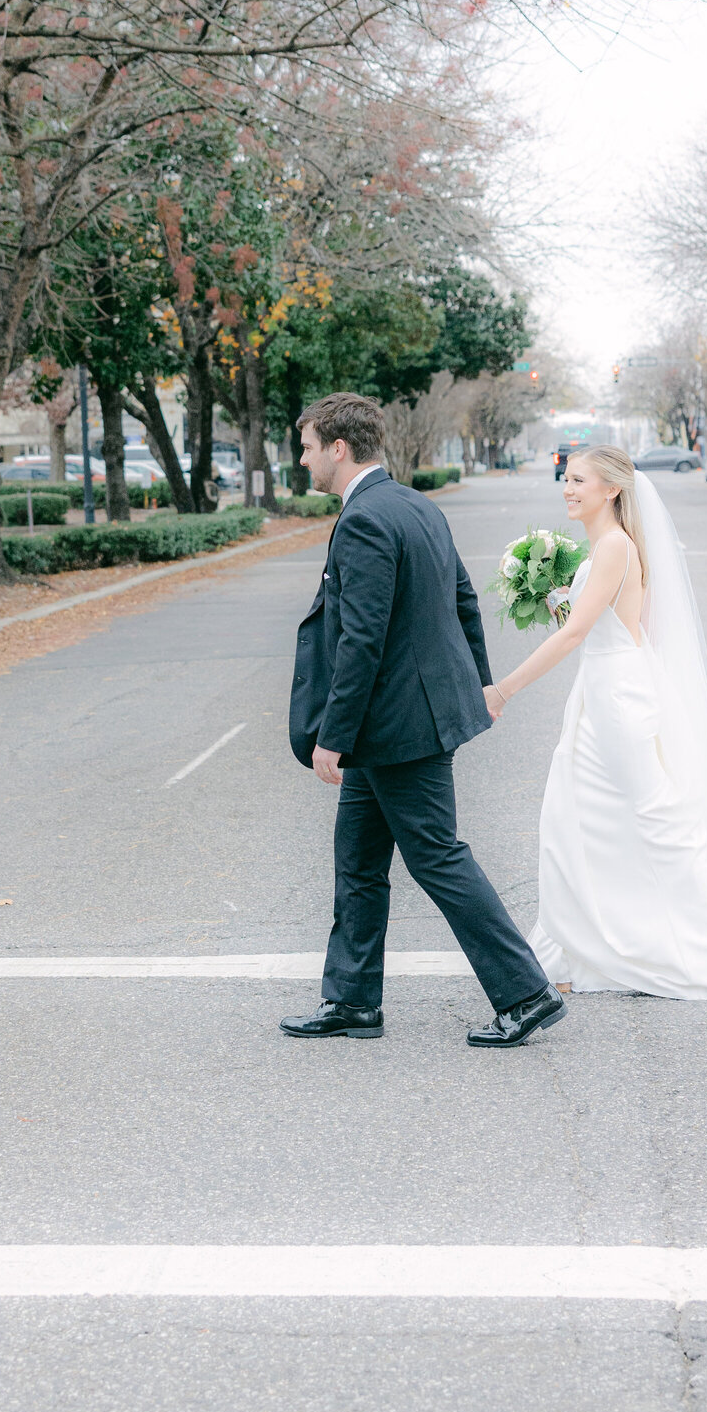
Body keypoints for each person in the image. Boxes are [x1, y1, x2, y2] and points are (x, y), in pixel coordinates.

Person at [283, 392, 568, 1049]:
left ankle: (525, 992)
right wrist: (478, 684)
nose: (302, 460)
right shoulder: (417, 506)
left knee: (438, 855)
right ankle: (351, 1000)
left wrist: (333, 735)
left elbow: (362, 640)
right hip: (405, 723)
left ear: (338, 448)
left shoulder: (363, 521)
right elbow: (462, 600)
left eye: (306, 447)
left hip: (395, 729)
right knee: (356, 859)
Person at [484, 445, 707, 1001]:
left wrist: (504, 689)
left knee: (653, 817)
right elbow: (612, 620)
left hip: (616, 696)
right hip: (606, 690)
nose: (568, 489)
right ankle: (570, 949)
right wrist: (558, 598)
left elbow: (575, 636)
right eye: (567, 480)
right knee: (579, 818)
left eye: (580, 481)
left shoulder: (614, 546)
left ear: (612, 489)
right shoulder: (609, 548)